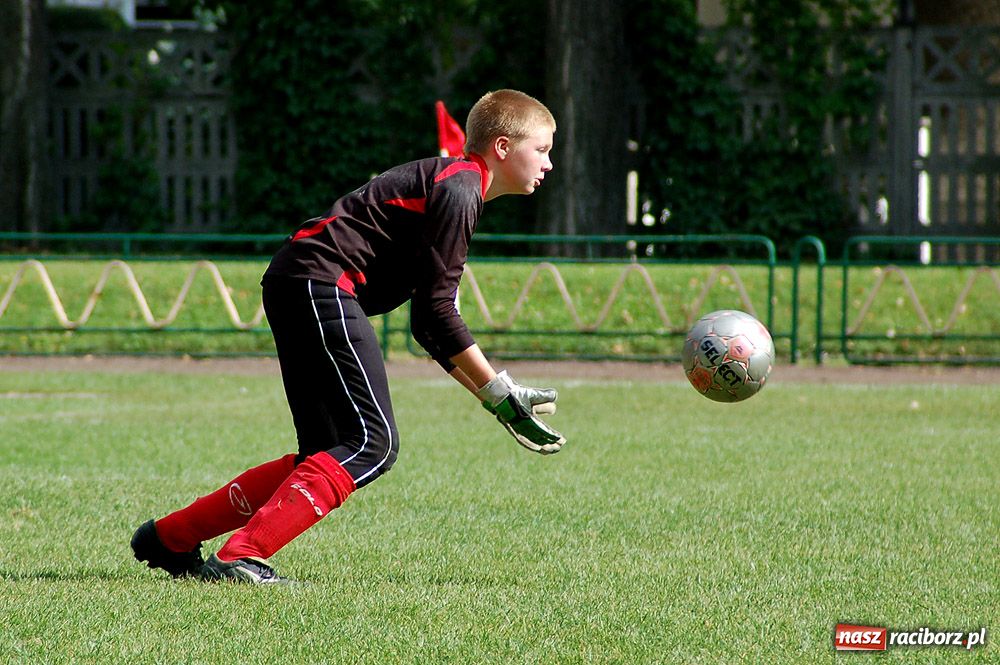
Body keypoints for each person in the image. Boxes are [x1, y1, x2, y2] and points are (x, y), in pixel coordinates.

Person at [131, 89, 566, 584]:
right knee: (372, 445)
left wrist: (495, 398)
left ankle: (170, 537)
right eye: (544, 149)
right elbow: (436, 314)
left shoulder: (458, 185)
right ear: (503, 147)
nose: (549, 163)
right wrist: (498, 393)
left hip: (298, 280)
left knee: (320, 453)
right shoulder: (462, 186)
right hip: (321, 284)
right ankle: (240, 557)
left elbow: (428, 324)